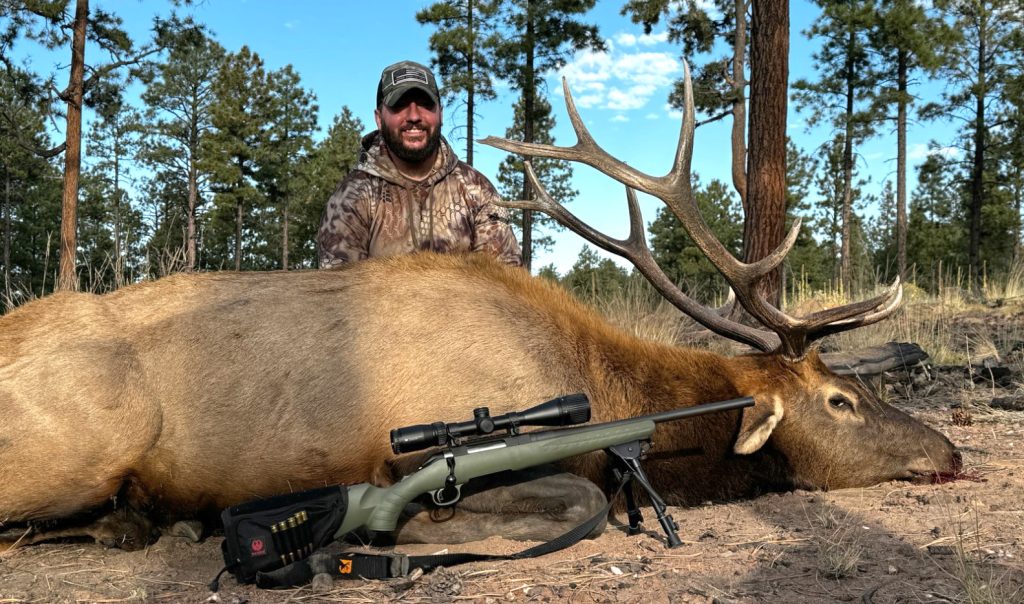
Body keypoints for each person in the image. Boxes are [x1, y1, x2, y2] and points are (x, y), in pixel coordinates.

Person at [317, 60, 522, 267]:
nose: (414, 116)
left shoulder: (477, 191)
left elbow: (503, 282)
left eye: (425, 104)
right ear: (379, 119)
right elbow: (342, 290)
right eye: (399, 105)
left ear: (440, 113)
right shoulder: (353, 196)